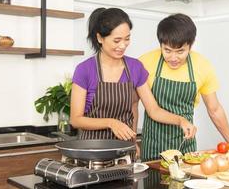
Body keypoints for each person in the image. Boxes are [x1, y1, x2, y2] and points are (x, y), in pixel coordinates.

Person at [70, 8, 196, 157]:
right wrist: (111, 122)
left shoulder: (135, 67)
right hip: (92, 152)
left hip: (123, 152)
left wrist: (181, 120)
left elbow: (153, 110)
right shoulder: (85, 70)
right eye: (117, 40)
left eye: (127, 39)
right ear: (100, 38)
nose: (123, 45)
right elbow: (75, 120)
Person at [139, 13, 229, 161]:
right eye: (167, 50)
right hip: (153, 148)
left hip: (186, 148)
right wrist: (131, 141)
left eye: (180, 51)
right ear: (160, 44)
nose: (173, 58)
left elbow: (215, 109)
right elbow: (137, 106)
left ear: (190, 46)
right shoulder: (145, 63)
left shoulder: (202, 66)